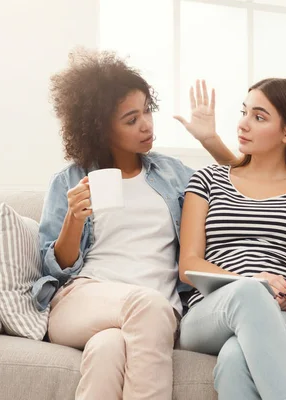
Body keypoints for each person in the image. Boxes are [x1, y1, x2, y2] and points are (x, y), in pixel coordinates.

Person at [33, 49, 235, 400]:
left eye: (147, 111)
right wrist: (73, 220)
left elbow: (240, 182)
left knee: (108, 349)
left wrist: (210, 141)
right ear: (100, 129)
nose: (146, 125)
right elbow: (58, 266)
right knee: (148, 305)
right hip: (83, 300)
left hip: (154, 313)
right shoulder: (71, 180)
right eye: (130, 120)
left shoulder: (172, 175)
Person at [177, 78, 286, 399]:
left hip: (279, 312)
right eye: (244, 112)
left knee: (236, 359)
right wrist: (252, 281)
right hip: (208, 313)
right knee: (249, 293)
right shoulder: (207, 179)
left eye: (259, 117)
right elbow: (189, 265)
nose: (243, 124)